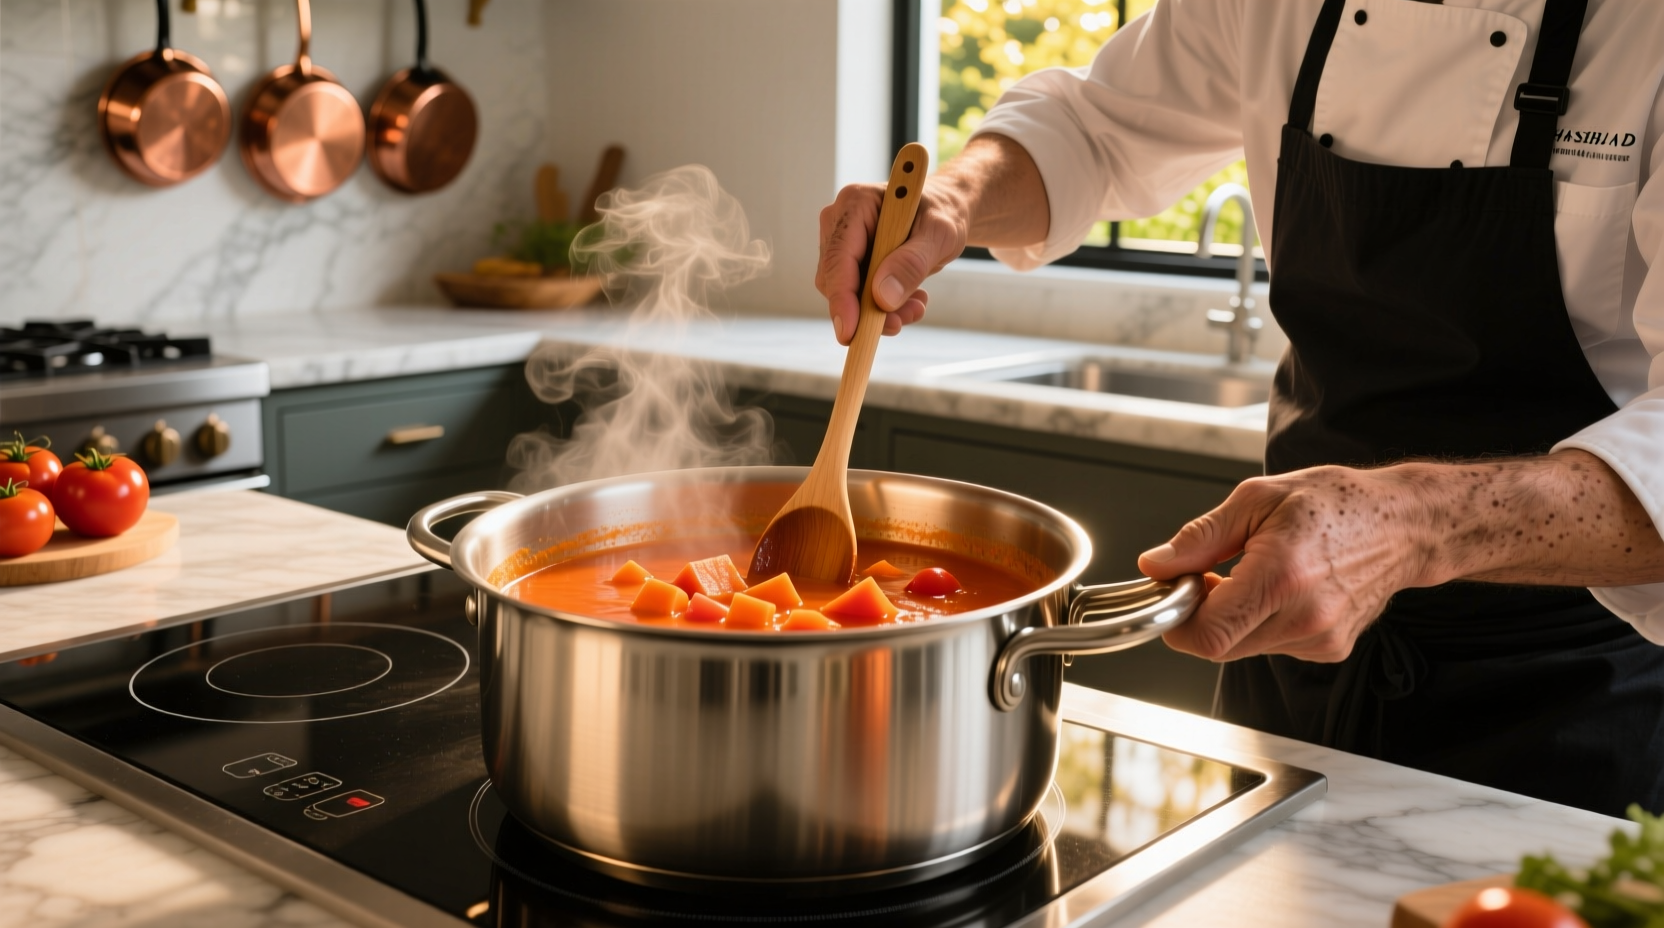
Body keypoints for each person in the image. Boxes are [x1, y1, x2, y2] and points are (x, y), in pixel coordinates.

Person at [817, 0, 1664, 816]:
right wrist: (955, 202)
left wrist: (1413, 525)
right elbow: (1095, 129)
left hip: (1570, 695)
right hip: (1288, 655)